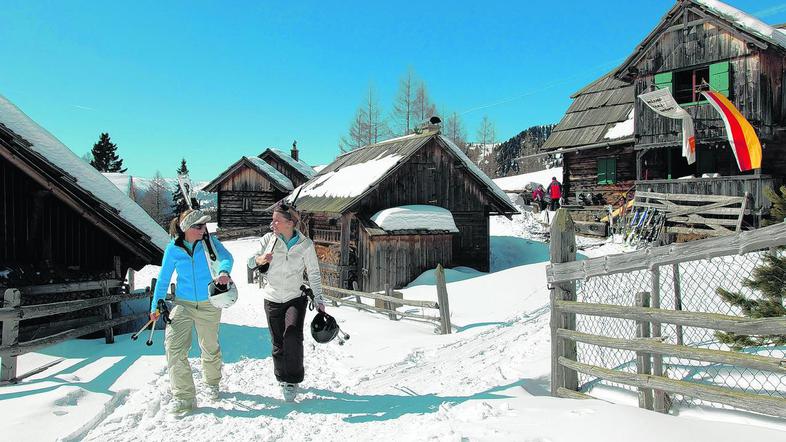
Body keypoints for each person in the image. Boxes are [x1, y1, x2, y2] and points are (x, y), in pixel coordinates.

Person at [150, 208, 234, 415]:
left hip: (209, 304)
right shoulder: (173, 249)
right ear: (186, 228)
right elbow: (163, 279)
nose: (203, 229)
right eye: (198, 226)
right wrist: (155, 307)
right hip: (183, 304)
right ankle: (184, 397)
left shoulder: (210, 243)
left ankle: (212, 382)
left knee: (209, 347)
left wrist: (223, 272)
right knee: (174, 347)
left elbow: (226, 258)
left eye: (205, 225)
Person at [247, 203, 325, 402]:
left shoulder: (305, 245)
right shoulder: (268, 240)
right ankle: (281, 376)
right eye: (272, 220)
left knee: (292, 336)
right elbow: (249, 262)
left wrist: (319, 299)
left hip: (294, 298)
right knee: (278, 342)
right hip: (272, 298)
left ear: (290, 223)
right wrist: (260, 259)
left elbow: (314, 273)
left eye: (276, 220)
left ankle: (293, 380)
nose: (272, 223)